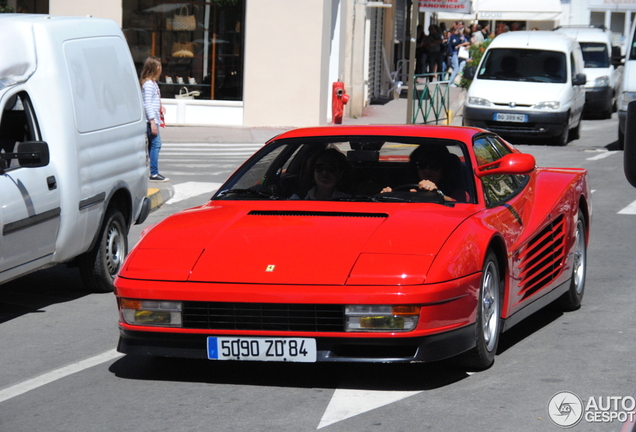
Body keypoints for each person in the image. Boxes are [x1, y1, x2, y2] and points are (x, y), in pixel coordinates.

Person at [382, 145, 469, 202]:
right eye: (421, 166)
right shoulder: (405, 188)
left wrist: (437, 195)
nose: (427, 171)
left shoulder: (459, 192)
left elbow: (458, 204)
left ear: (445, 169)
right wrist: (388, 196)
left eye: (434, 166)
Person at [140, 56, 169, 182]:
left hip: (154, 119)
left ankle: (152, 171)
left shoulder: (152, 84)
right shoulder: (149, 85)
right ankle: (154, 173)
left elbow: (152, 100)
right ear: (156, 68)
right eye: (159, 67)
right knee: (156, 144)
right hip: (150, 120)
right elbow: (147, 103)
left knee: (152, 145)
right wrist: (152, 121)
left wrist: (160, 107)